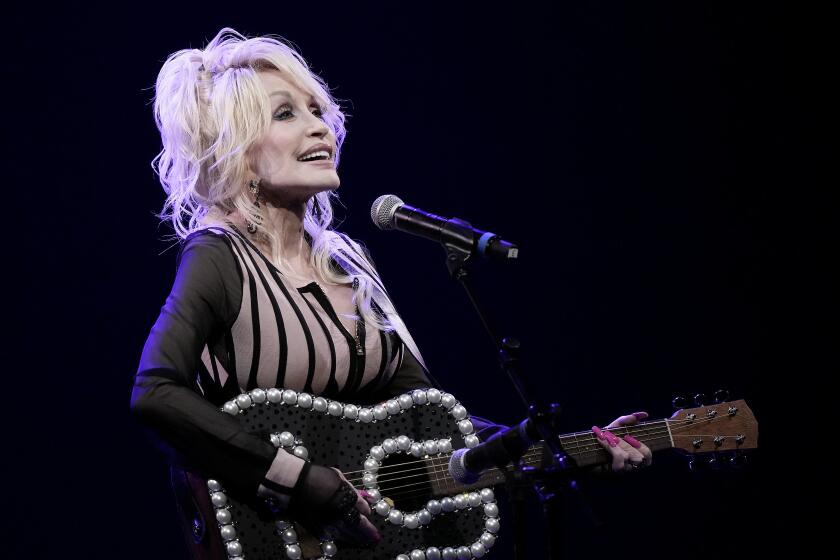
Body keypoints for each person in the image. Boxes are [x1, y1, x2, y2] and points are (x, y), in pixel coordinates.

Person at [130, 27, 652, 559]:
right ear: (237, 152)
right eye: (286, 114)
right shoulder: (219, 255)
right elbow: (155, 393)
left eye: (318, 110)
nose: (320, 127)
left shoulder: (348, 263)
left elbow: (429, 419)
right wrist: (302, 481)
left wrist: (560, 448)